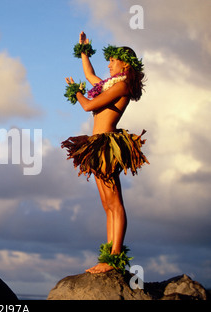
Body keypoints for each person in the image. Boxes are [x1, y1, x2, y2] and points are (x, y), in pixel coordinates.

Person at [61, 31, 149, 274]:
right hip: (97, 143)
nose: (108, 64)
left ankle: (114, 258)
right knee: (107, 204)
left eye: (112, 60)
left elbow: (88, 104)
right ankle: (109, 256)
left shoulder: (121, 86)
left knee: (115, 203)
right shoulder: (110, 85)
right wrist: (83, 51)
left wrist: (76, 92)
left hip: (107, 146)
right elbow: (90, 75)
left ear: (125, 63)